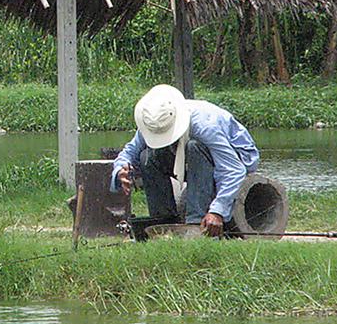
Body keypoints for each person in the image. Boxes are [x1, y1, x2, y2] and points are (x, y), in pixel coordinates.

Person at [110, 84, 259, 237]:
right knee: (147, 157)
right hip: (190, 157)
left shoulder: (204, 126)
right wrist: (121, 169)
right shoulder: (154, 123)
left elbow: (232, 169)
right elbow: (129, 152)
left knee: (194, 147)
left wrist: (217, 211)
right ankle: (163, 222)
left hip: (236, 157)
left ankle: (195, 222)